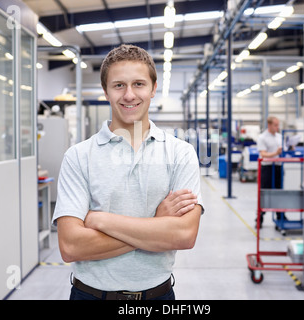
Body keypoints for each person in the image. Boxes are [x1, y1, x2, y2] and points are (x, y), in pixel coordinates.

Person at [52, 44, 204, 300]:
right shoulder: (78, 156)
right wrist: (157, 226)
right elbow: (70, 246)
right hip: (90, 295)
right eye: (119, 85)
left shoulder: (181, 153)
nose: (129, 95)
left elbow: (184, 236)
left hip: (158, 296)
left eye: (139, 84)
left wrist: (100, 220)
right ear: (106, 91)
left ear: (153, 89)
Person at [256, 116, 286, 228]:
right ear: (269, 125)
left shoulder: (279, 137)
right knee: (264, 193)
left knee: (279, 193)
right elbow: (263, 154)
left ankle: (280, 216)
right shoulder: (262, 137)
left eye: (278, 125)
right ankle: (260, 218)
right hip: (267, 168)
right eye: (275, 125)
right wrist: (276, 153)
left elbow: (284, 150)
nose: (277, 127)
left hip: (278, 167)